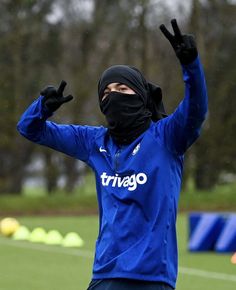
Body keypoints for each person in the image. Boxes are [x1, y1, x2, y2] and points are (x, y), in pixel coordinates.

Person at [17, 19, 208, 290]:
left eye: (122, 89)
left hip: (152, 279)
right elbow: (29, 129)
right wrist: (42, 108)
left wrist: (191, 65)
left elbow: (196, 111)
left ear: (140, 95)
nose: (113, 96)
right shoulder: (94, 141)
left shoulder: (166, 137)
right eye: (106, 92)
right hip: (104, 275)